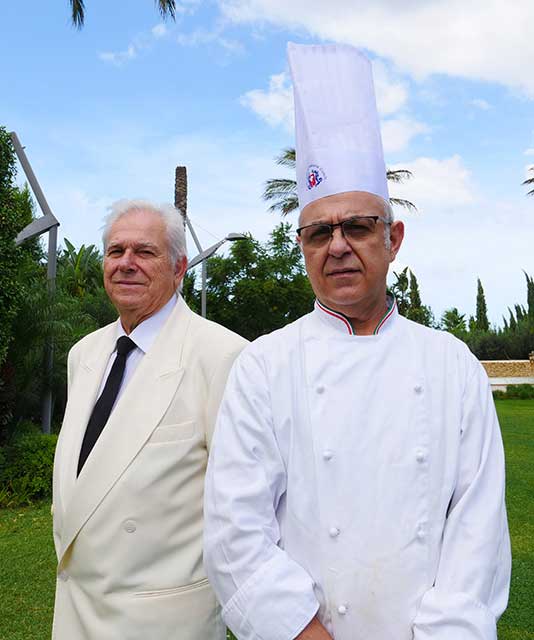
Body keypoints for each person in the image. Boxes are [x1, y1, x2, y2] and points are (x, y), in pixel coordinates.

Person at [203, 43, 511, 640]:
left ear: (393, 239)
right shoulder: (264, 365)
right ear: (302, 248)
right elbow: (234, 534)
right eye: (319, 232)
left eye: (358, 227)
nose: (338, 246)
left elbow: (477, 533)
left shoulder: (451, 364)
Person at [52, 199, 247, 640]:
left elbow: (244, 510)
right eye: (116, 251)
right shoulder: (83, 354)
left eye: (144, 251)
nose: (127, 263)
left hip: (163, 622)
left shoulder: (223, 356)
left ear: (179, 268)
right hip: (75, 613)